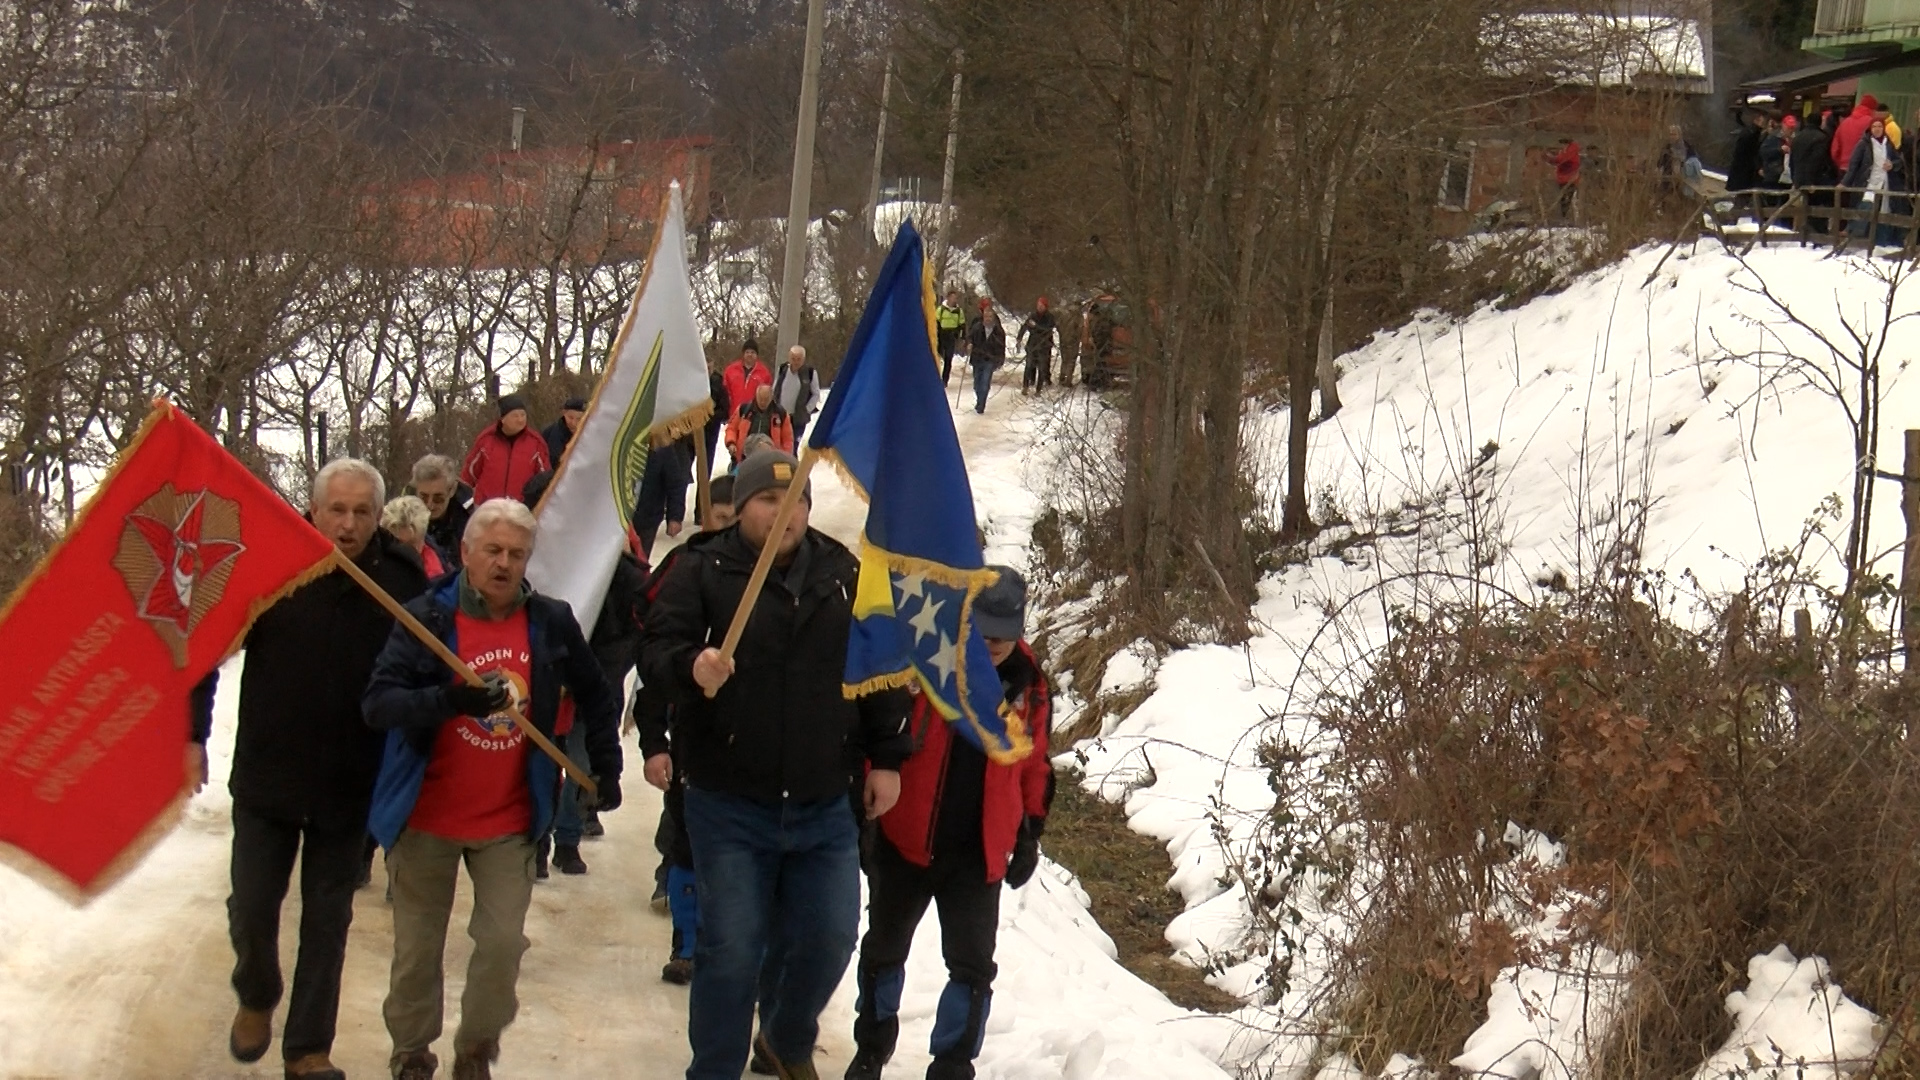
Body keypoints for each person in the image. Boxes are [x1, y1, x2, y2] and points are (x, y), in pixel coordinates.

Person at [639, 449, 911, 1080]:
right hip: (729, 799)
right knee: (731, 950)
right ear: (745, 507)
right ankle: (714, 1068)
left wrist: (888, 756)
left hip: (823, 800)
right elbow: (656, 651)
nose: (785, 514)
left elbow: (881, 674)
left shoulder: (844, 573)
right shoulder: (700, 568)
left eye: (798, 503)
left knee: (831, 937)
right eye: (769, 500)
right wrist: (691, 665)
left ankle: (784, 1038)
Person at [363, 498, 625, 1080]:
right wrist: (449, 701)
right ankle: (411, 1052)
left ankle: (476, 1049)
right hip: (427, 814)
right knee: (416, 952)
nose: (504, 564)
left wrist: (605, 764)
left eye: (516, 553)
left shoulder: (550, 622)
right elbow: (378, 705)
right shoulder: (426, 618)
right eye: (493, 551)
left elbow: (597, 693)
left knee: (503, 943)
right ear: (466, 553)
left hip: (508, 819)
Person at [190, 459, 429, 1080]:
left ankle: (307, 1049)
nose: (347, 525)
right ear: (313, 509)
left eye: (361, 513)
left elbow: (433, 663)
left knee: (328, 920)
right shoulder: (268, 565)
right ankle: (255, 993)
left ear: (380, 517)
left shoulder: (402, 581)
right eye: (336, 510)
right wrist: (193, 735)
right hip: (270, 771)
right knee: (252, 905)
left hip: (350, 777)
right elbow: (202, 649)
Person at [845, 567, 1054, 1080]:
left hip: (978, 853)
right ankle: (871, 1048)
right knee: (883, 951)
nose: (996, 643)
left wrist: (1030, 831)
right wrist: (866, 807)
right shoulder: (928, 661)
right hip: (907, 839)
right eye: (985, 631)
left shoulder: (1029, 685)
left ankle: (953, 1063)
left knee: (973, 968)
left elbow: (1035, 763)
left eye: (1006, 632)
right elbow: (882, 733)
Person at [637, 474, 737, 985]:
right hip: (692, 738)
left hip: (757, 751)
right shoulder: (686, 571)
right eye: (721, 518)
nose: (730, 529)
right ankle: (687, 944)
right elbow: (656, 663)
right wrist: (654, 741)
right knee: (687, 845)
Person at [460, 395, 550, 505]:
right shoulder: (486, 440)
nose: (520, 419)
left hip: (520, 508)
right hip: (487, 507)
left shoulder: (536, 442)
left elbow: (544, 478)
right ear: (503, 419)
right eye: (515, 416)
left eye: (523, 415)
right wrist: (462, 500)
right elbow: (470, 474)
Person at [1842, 116, 1906, 246]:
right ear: (1870, 129)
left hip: (1886, 183)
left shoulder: (1888, 144)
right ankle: (1852, 236)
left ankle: (1881, 242)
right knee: (1866, 205)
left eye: (1880, 126)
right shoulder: (1864, 144)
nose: (1877, 129)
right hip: (1869, 182)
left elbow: (1899, 161)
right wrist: (1845, 182)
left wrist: (1892, 165)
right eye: (1874, 127)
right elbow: (1853, 165)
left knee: (1885, 210)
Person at [633, 432, 695, 559]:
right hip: (616, 518)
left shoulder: (662, 447)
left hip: (647, 518)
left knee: (640, 560)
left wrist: (675, 517)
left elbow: (675, 483)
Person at [410, 455, 473, 570]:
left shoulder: (470, 517)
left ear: (452, 490)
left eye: (438, 498)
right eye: (423, 497)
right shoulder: (403, 514)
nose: (430, 505)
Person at [1794, 110, 1841, 233]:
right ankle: (1818, 234)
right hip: (1815, 179)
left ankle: (1807, 232)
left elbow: (1793, 160)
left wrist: (1796, 178)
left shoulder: (1798, 137)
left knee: (1806, 206)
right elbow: (1816, 160)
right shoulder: (1821, 138)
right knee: (1819, 206)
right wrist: (1811, 181)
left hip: (1799, 177)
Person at [384, 495, 448, 578]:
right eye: (396, 542)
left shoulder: (433, 575)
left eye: (410, 545)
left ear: (422, 542)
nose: (402, 551)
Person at [726, 382, 795, 459]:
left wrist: (784, 457)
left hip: (770, 457)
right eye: (760, 398)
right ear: (756, 396)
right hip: (744, 456)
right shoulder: (744, 410)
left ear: (771, 397)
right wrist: (731, 443)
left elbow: (788, 439)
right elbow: (731, 429)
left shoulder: (781, 414)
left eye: (766, 399)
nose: (763, 402)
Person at [773, 345, 824, 435]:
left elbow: (815, 394)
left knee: (794, 444)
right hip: (781, 416)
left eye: (799, 359)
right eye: (793, 359)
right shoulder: (782, 369)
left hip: (798, 419)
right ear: (789, 358)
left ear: (803, 359)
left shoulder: (810, 373)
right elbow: (775, 388)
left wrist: (807, 409)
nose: (796, 362)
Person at [966, 302, 1006, 415]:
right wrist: (969, 344)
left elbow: (1001, 346)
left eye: (990, 317)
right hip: (977, 358)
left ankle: (981, 404)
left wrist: (1000, 359)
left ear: (993, 318)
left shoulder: (998, 332)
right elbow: (969, 338)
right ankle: (979, 400)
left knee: (985, 382)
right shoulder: (977, 328)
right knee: (977, 384)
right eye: (986, 316)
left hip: (990, 360)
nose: (988, 319)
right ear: (983, 317)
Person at [722, 338, 773, 418]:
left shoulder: (764, 373)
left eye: (753, 352)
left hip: (753, 416)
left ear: (757, 355)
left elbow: (766, 396)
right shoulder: (731, 370)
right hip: (733, 414)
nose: (750, 354)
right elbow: (724, 392)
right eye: (747, 352)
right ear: (743, 354)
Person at [1831, 94, 1879, 175]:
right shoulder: (1872, 123)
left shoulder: (1844, 123)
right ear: (1872, 109)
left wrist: (1841, 163)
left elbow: (1835, 149)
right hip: (1862, 169)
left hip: (1844, 168)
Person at [1017, 298, 1057, 394]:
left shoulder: (1050, 317)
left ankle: (1038, 389)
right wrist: (1019, 337)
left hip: (1044, 346)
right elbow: (1025, 326)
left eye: (1041, 306)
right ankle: (1025, 386)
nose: (1039, 307)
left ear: (1045, 307)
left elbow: (1047, 329)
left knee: (1042, 367)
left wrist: (1035, 326)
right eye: (1038, 305)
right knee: (1029, 365)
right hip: (1032, 345)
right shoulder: (1033, 315)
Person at [542, 396, 587, 468]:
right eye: (570, 417)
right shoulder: (554, 435)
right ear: (564, 413)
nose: (574, 423)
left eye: (579, 419)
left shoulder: (590, 430)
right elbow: (556, 464)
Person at [1727, 110, 1764, 195]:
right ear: (1757, 120)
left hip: (1742, 174)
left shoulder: (1751, 132)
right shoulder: (1751, 134)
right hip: (1744, 174)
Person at [935, 289, 967, 386]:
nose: (954, 300)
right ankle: (936, 377)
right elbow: (936, 322)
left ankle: (945, 380)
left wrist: (963, 337)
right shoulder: (941, 309)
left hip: (952, 335)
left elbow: (962, 324)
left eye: (955, 298)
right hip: (941, 335)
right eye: (952, 297)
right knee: (938, 356)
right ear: (948, 298)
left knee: (948, 358)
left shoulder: (958, 311)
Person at [1551, 139, 1581, 221]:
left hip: (1570, 179)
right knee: (1563, 199)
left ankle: (1566, 217)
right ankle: (1564, 217)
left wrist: (1553, 159)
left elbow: (1563, 161)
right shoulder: (1564, 152)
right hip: (1563, 179)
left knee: (1567, 199)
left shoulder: (1570, 152)